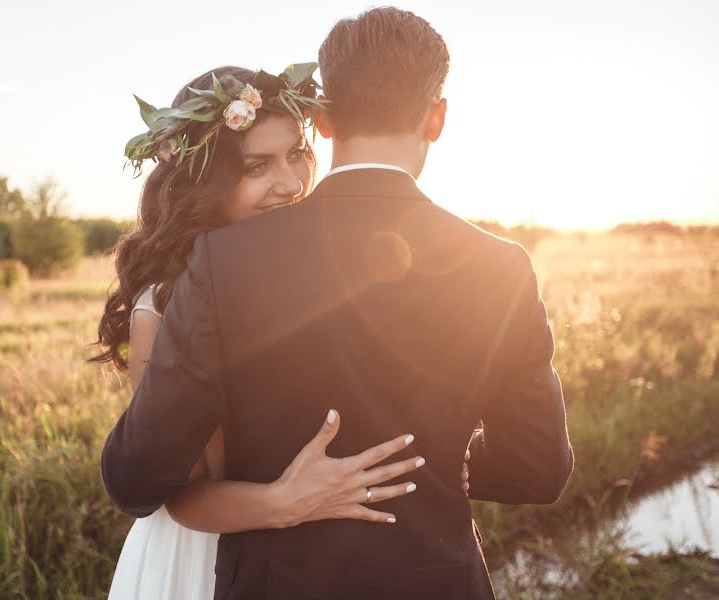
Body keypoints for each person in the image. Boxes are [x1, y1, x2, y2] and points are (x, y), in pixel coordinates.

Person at [103, 7, 574, 597]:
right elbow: (538, 466)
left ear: (321, 120)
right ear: (437, 118)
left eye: (291, 154)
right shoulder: (501, 265)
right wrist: (445, 458)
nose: (284, 178)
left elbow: (136, 478)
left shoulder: (225, 263)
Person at [91, 64, 470, 599]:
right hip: (210, 558)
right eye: (256, 167)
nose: (290, 184)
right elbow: (174, 493)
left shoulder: (311, 268)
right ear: (205, 181)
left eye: (296, 154)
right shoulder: (167, 304)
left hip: (320, 551)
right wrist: (285, 503)